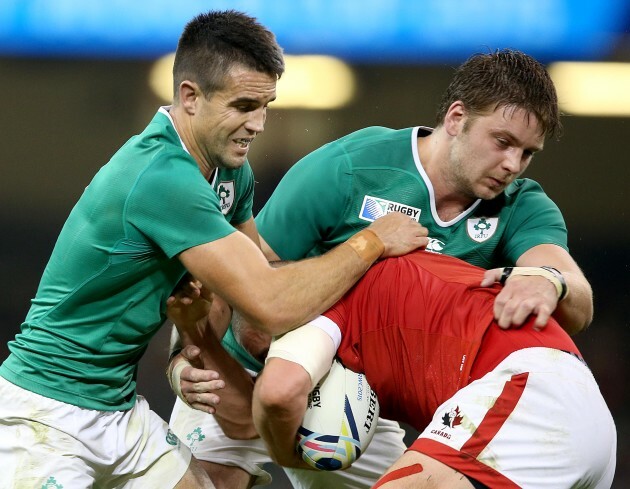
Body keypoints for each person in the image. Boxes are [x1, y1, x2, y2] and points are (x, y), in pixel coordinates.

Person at [0, 10, 425, 489]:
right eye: (244, 105)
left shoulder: (229, 172)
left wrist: (186, 355)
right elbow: (269, 303)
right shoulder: (161, 177)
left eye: (266, 105)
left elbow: (244, 293)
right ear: (190, 97)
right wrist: (370, 242)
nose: (259, 124)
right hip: (45, 412)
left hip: (118, 408)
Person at [167, 49, 595, 488]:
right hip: (243, 372)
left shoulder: (521, 205)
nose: (512, 165)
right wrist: (183, 359)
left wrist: (549, 281)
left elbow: (573, 294)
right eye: (502, 141)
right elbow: (241, 280)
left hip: (350, 393)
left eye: (527, 153)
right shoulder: (349, 167)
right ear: (456, 117)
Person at [252, 251, 617, 488]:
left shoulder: (313, 308)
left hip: (530, 395)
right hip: (576, 414)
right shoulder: (389, 286)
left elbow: (279, 391)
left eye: (267, 352)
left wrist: (282, 452)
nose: (271, 358)